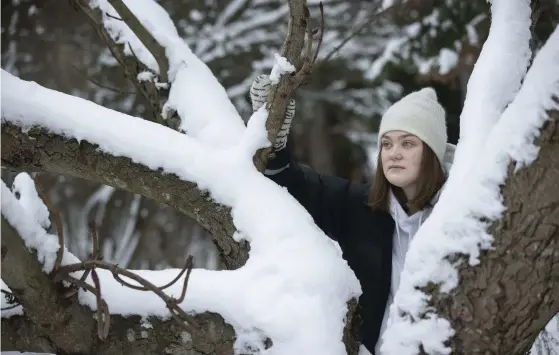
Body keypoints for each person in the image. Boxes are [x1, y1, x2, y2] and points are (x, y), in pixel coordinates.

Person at [250, 74, 456, 355]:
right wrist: (274, 139)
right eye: (387, 143)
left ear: (432, 152)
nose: (394, 153)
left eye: (408, 144)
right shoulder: (360, 207)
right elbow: (294, 184)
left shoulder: (459, 218)